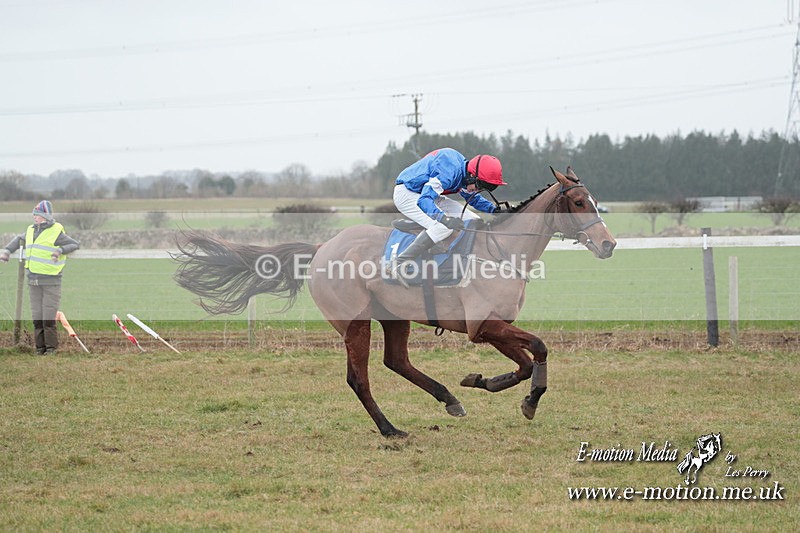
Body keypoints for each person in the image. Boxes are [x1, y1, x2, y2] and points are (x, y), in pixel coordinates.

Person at [390, 148, 507, 285]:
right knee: (444, 227)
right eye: (480, 185)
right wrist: (443, 219)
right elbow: (424, 200)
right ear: (472, 175)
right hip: (408, 194)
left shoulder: (464, 173)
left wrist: (494, 210)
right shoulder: (449, 170)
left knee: (474, 220)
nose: (478, 190)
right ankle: (398, 263)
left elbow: (474, 199)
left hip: (427, 194)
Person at [0, 201, 80, 354]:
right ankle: (40, 349)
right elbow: (18, 240)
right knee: (37, 318)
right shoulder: (30, 230)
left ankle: (51, 349)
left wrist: (60, 251)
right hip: (33, 281)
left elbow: (74, 244)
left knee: (48, 318)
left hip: (51, 281)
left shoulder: (56, 231)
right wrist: (7, 252)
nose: (34, 217)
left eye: (37, 214)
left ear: (44, 216)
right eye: (34, 214)